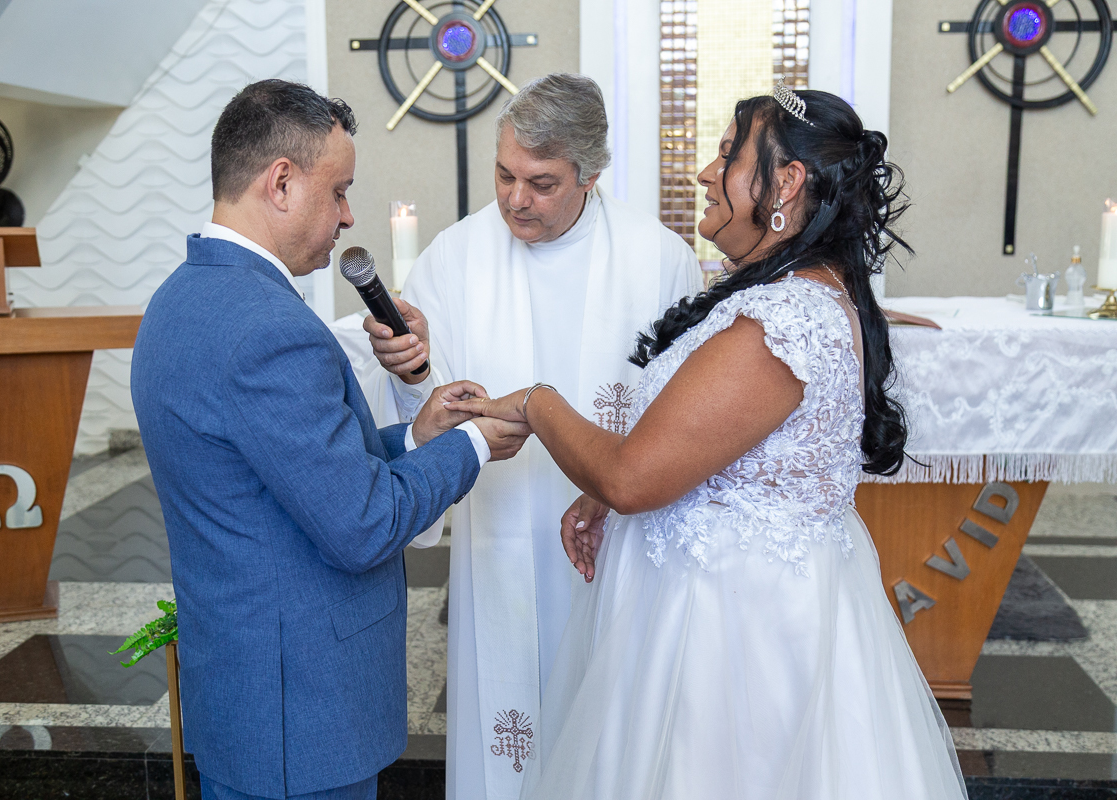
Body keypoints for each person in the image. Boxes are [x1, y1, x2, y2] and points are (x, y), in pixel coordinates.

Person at [448, 84, 969, 799]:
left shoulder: (776, 325)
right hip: (727, 606)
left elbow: (634, 478)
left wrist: (539, 403)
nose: (703, 173)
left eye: (727, 156)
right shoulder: (792, 294)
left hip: (732, 639)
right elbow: (709, 447)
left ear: (784, 184)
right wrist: (612, 487)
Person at [131, 80, 531, 800]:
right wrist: (471, 446)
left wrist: (416, 435)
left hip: (247, 692)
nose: (348, 217)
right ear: (280, 182)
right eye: (339, 191)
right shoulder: (269, 329)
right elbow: (361, 524)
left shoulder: (181, 298)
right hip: (301, 714)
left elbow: (286, 468)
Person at [355, 73, 702, 800]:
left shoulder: (659, 258)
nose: (515, 199)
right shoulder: (454, 257)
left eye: (542, 183)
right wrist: (411, 367)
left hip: (617, 538)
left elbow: (684, 409)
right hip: (502, 532)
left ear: (591, 174)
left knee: (608, 725)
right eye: (505, 175)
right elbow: (428, 409)